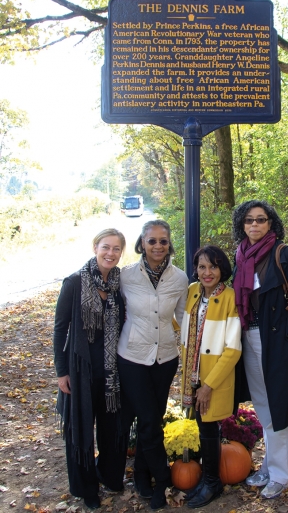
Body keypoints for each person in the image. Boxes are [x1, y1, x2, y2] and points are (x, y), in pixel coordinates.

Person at [232, 200, 288, 499]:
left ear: (270, 224)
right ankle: (270, 464)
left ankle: (282, 475)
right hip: (249, 339)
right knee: (264, 407)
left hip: (278, 342)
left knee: (279, 407)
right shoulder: (240, 256)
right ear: (242, 224)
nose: (254, 225)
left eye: (261, 220)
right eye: (249, 220)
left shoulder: (284, 255)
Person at [53, 228, 128, 510]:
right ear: (95, 247)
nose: (111, 253)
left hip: (112, 372)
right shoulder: (74, 282)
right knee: (81, 430)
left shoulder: (119, 283)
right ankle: (86, 488)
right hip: (81, 371)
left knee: (111, 427)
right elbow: (60, 330)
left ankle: (109, 474)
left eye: (116, 249)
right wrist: (62, 372)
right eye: (106, 247)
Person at [117, 219, 188, 510]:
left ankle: (142, 475)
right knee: (147, 419)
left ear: (169, 244)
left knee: (153, 420)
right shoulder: (125, 277)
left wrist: (192, 359)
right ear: (142, 244)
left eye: (163, 241)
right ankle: (162, 479)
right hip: (133, 356)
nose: (158, 246)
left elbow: (184, 320)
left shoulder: (180, 278)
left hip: (166, 359)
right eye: (152, 241)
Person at [179, 245, 242, 509]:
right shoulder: (192, 291)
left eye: (213, 267)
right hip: (192, 372)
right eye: (202, 267)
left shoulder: (230, 297)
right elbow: (179, 323)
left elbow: (233, 348)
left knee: (209, 427)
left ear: (222, 269)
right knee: (202, 426)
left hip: (213, 378)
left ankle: (212, 482)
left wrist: (208, 385)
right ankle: (207, 479)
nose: (207, 272)